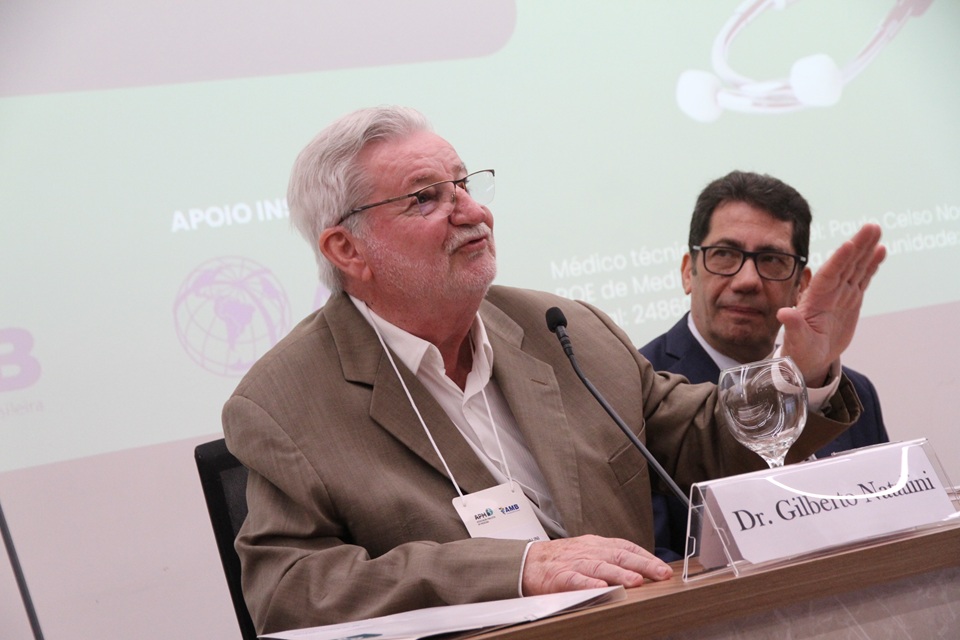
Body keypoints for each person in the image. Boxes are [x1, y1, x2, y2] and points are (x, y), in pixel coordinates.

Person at [222, 106, 885, 634]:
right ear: (347, 249)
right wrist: (516, 569)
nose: (472, 212)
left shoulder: (562, 329)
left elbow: (704, 437)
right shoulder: (284, 401)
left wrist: (801, 368)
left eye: (464, 185)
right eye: (425, 198)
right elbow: (290, 591)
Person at [639, 170, 889, 561]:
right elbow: (652, 560)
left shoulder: (844, 395)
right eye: (725, 254)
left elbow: (889, 526)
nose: (747, 280)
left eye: (771, 260)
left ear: (801, 285)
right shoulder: (638, 392)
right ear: (689, 271)